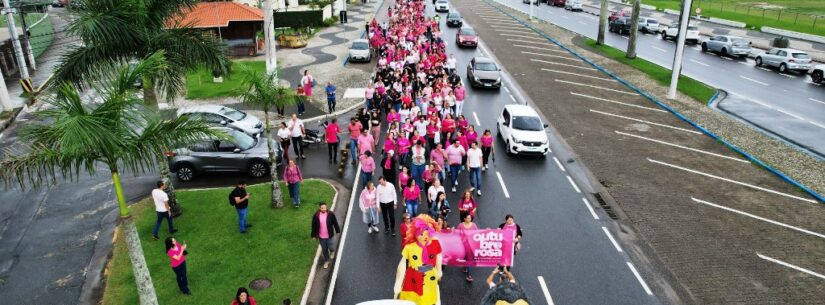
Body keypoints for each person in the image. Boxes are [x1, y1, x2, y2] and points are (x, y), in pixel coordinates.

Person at [311, 202, 341, 269]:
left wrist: (338, 231)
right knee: (324, 250)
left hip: (329, 236)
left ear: (326, 207)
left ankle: (332, 251)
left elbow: (335, 222)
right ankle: (327, 261)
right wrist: (313, 235)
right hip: (321, 237)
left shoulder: (330, 214)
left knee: (331, 247)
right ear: (320, 208)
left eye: (325, 207)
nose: (324, 209)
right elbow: (313, 226)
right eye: (322, 208)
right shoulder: (316, 216)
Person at [456, 213, 478, 282]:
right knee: (465, 257)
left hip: (471, 246)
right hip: (463, 245)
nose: (469, 219)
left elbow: (477, 234)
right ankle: (465, 267)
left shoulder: (474, 225)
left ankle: (469, 275)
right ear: (464, 219)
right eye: (468, 218)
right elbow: (457, 234)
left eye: (470, 218)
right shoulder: (460, 225)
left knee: (469, 260)